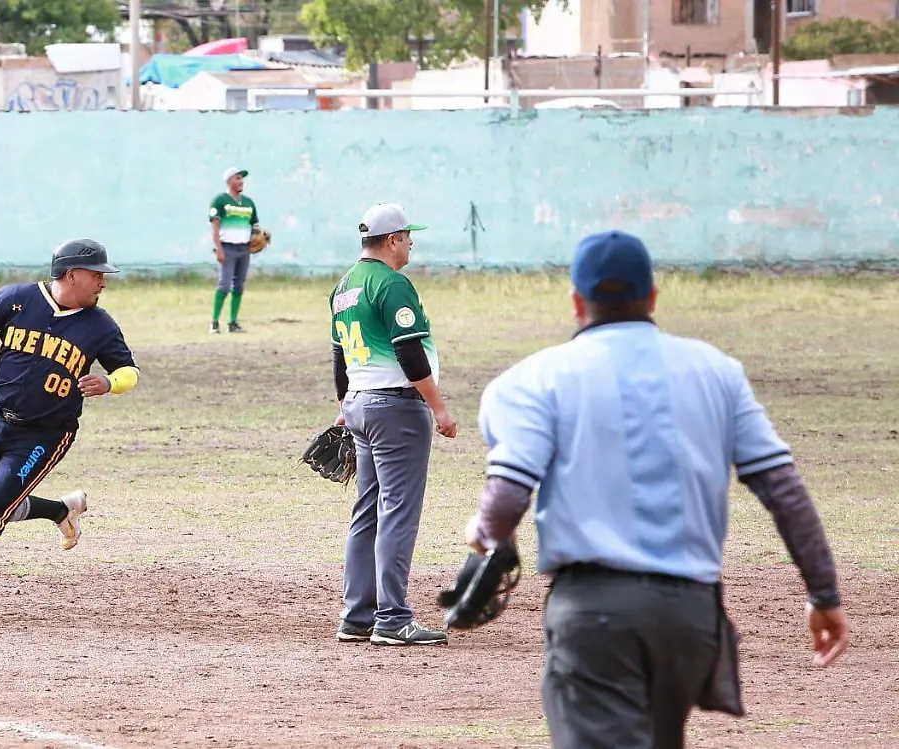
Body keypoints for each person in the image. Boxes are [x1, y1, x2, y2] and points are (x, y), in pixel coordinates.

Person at [464, 229, 850, 748]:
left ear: (578, 301)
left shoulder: (534, 379)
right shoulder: (718, 372)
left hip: (595, 615)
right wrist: (823, 593)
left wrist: (484, 531)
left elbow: (508, 497)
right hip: (691, 618)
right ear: (653, 297)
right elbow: (783, 488)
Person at [0, 238, 142, 624]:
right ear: (72, 275)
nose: (103, 282)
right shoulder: (17, 300)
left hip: (47, 434)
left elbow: (129, 371)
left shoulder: (99, 325)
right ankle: (61, 510)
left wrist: (109, 383)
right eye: (97, 275)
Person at [329, 203, 458, 647]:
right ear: (391, 240)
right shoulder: (392, 284)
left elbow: (339, 358)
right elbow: (409, 352)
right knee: (398, 512)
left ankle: (357, 615)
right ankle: (392, 618)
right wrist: (438, 407)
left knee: (367, 512)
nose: (410, 243)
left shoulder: (344, 286)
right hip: (397, 409)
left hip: (362, 405)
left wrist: (345, 404)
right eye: (406, 235)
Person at [209, 166, 261, 334]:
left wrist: (259, 237)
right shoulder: (220, 201)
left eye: (241, 178)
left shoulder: (248, 203)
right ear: (229, 181)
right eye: (237, 178)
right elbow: (215, 227)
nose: (241, 181)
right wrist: (218, 249)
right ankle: (214, 322)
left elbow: (254, 226)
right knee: (224, 285)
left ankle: (232, 322)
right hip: (227, 247)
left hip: (244, 248)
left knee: (238, 285)